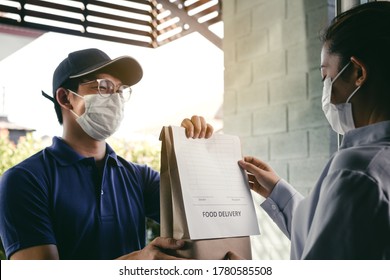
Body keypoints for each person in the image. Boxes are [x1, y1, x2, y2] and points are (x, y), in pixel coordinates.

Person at [0, 48, 213, 260]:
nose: (115, 98)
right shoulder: (25, 180)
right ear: (65, 98)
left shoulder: (139, 177)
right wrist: (133, 265)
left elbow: (203, 217)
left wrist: (204, 156)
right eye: (103, 87)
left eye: (120, 90)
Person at [228, 2, 390, 260]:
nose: (326, 90)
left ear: (358, 72)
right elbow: (333, 237)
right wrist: (277, 189)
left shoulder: (358, 171)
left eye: (326, 77)